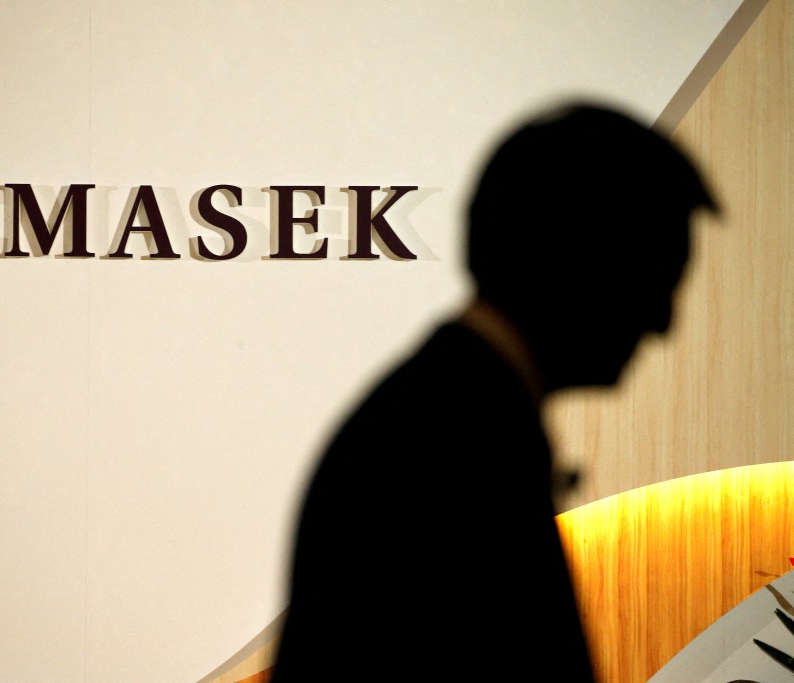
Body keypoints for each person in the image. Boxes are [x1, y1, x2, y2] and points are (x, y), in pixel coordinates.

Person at [270, 101, 719, 681]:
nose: (662, 323)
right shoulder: (456, 444)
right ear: (578, 258)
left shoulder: (438, 415)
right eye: (653, 276)